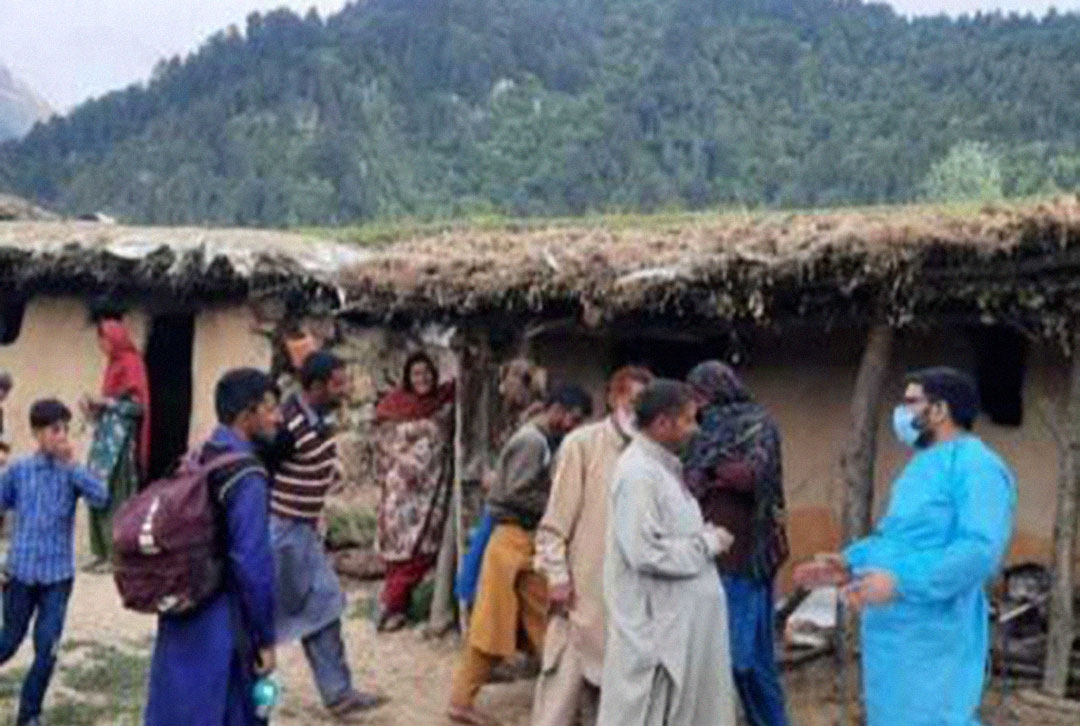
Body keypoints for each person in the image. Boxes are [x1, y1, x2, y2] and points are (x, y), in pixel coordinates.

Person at [794, 367, 1016, 726]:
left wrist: (903, 583)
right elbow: (897, 540)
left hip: (935, 634)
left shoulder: (978, 468)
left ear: (940, 410)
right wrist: (849, 564)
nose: (902, 413)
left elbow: (978, 552)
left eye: (912, 402)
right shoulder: (920, 467)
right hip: (892, 636)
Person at [448, 383, 593, 726]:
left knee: (546, 620)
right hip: (513, 540)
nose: (573, 425)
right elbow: (515, 492)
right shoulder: (533, 441)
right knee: (492, 625)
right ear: (557, 409)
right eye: (572, 417)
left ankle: (564, 701)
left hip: (526, 542)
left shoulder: (545, 440)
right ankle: (460, 701)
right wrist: (561, 507)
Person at [597, 380, 736, 726]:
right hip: (658, 637)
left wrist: (702, 537)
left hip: (682, 631)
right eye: (689, 420)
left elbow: (669, 534)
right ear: (663, 423)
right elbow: (643, 551)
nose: (695, 429)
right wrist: (706, 544)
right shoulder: (638, 474)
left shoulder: (663, 468)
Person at [144, 368, 279, 726]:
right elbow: (252, 564)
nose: (276, 417)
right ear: (247, 414)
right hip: (223, 619)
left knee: (176, 708)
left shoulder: (200, 456)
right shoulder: (247, 476)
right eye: (270, 408)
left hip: (183, 605)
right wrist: (265, 637)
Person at [532, 366, 653, 726]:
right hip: (579, 601)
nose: (638, 410)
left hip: (626, 607)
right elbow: (553, 525)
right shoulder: (582, 446)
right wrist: (557, 576)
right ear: (614, 399)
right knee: (558, 705)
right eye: (633, 400)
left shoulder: (650, 455)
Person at [265, 351, 384, 719]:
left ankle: (339, 694)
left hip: (302, 532)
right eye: (337, 382)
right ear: (315, 386)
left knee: (324, 606)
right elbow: (261, 471)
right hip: (282, 533)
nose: (345, 388)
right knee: (265, 618)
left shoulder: (317, 419)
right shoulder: (286, 425)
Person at [684, 361, 789, 726]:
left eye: (701, 394)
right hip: (704, 554)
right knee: (732, 661)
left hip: (747, 556)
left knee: (744, 660)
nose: (698, 403)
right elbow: (686, 478)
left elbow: (754, 476)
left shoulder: (759, 424)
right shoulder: (696, 432)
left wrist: (714, 472)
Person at [0, 399, 109, 726]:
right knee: (8, 641)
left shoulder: (71, 473)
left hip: (57, 579)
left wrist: (75, 465)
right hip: (20, 574)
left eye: (64, 429)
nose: (60, 436)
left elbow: (101, 497)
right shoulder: (18, 471)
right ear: (36, 433)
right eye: (53, 429)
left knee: (47, 650)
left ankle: (29, 714)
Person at [373, 351, 455, 632]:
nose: (424, 379)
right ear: (407, 377)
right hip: (401, 490)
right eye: (417, 374)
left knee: (421, 551)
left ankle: (393, 607)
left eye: (428, 373)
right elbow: (383, 445)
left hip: (429, 493)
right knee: (401, 553)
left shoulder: (442, 402)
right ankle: (390, 606)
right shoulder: (394, 405)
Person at [82, 317, 151, 570]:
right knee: (96, 490)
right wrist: (94, 409)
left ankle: (116, 555)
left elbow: (138, 407)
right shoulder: (112, 366)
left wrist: (107, 404)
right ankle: (100, 551)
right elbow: (109, 404)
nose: (101, 345)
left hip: (120, 445)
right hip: (104, 442)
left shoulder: (132, 364)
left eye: (103, 339)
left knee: (117, 495)